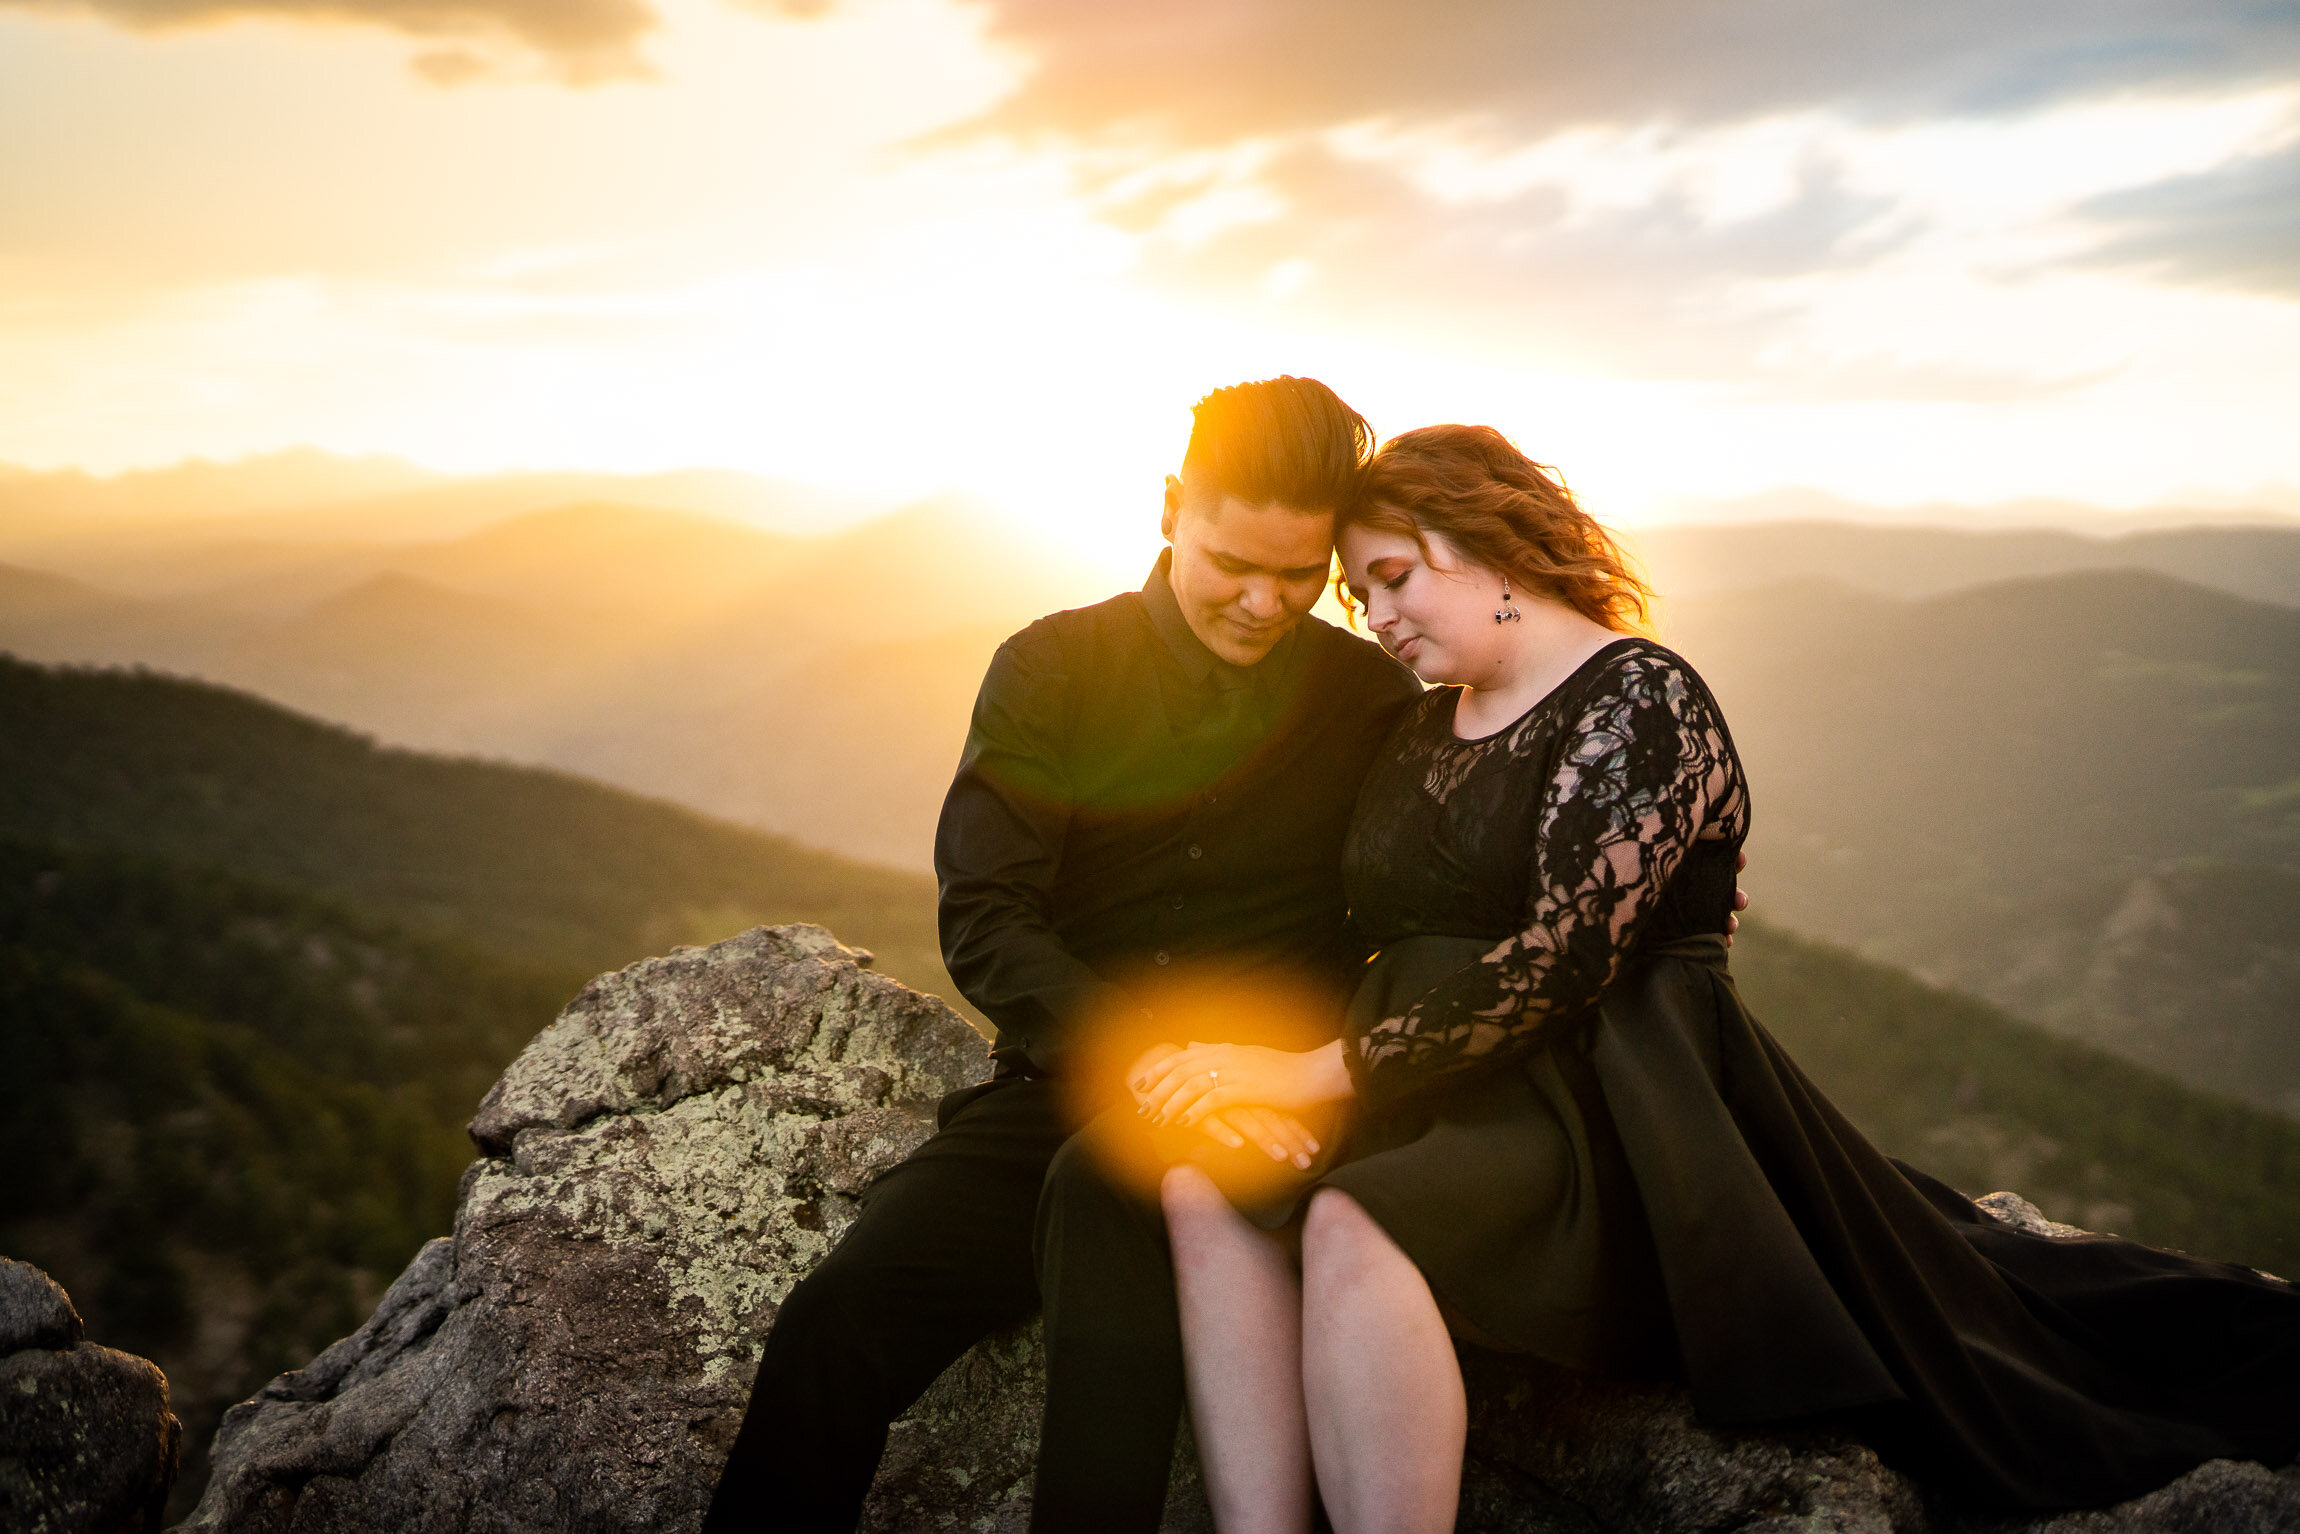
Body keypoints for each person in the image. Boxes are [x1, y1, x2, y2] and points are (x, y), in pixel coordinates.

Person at [1134, 423, 2300, 1534]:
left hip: (1596, 1090)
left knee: (1352, 1218)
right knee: (1205, 1185)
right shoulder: (1422, 721)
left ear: (1483, 544)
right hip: (1433, 1075)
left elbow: (1564, 960)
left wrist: (1317, 1075)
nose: (1373, 613)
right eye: (1358, 591)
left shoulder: (1641, 696)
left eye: (1392, 577)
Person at [702, 377, 1422, 1533]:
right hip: (1066, 1083)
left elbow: (1424, 910)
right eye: (1233, 560)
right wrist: (1148, 1062)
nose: (1262, 600)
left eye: (1298, 574)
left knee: (1113, 1345)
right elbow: (986, 917)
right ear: (1170, 507)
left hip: (1271, 1115)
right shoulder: (1050, 668)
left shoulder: (1370, 700)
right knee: (836, 1321)